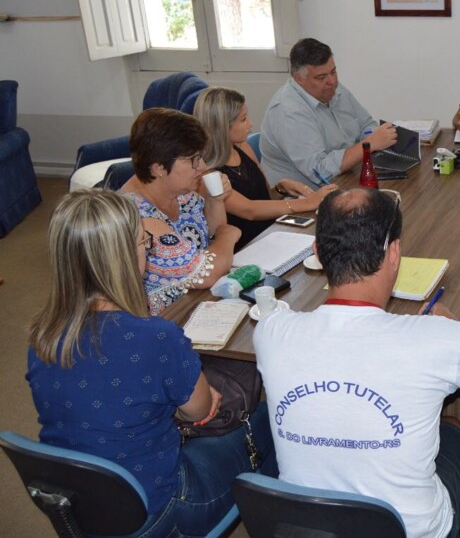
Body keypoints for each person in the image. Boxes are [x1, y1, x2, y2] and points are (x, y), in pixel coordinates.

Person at [253, 188, 460, 538]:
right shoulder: (440, 339)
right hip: (412, 532)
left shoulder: (270, 332)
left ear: (317, 254)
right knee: (452, 430)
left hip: (306, 528)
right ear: (394, 254)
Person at [26, 189, 276, 538]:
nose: (150, 250)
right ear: (124, 257)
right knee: (270, 418)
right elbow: (200, 409)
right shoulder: (156, 336)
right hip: (167, 506)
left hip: (83, 505)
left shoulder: (42, 336)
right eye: (147, 243)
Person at [120, 108, 240, 314]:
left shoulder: (180, 192)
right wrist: (228, 235)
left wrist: (214, 199)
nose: (202, 167)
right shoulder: (138, 218)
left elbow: (210, 233)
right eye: (193, 159)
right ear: (158, 167)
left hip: (197, 302)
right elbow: (205, 273)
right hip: (165, 321)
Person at [194, 87, 338, 250]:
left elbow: (264, 197)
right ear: (222, 127)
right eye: (243, 120)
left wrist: (280, 188)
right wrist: (308, 203)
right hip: (246, 249)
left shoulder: (243, 148)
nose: (250, 124)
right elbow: (249, 210)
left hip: (272, 235)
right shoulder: (207, 174)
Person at [260, 38, 398, 189]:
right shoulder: (289, 111)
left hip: (346, 177)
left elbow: (365, 125)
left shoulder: (331, 89)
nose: (332, 81)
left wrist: (373, 137)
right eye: (321, 77)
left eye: (333, 72)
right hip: (304, 197)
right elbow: (320, 171)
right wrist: (370, 144)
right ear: (299, 79)